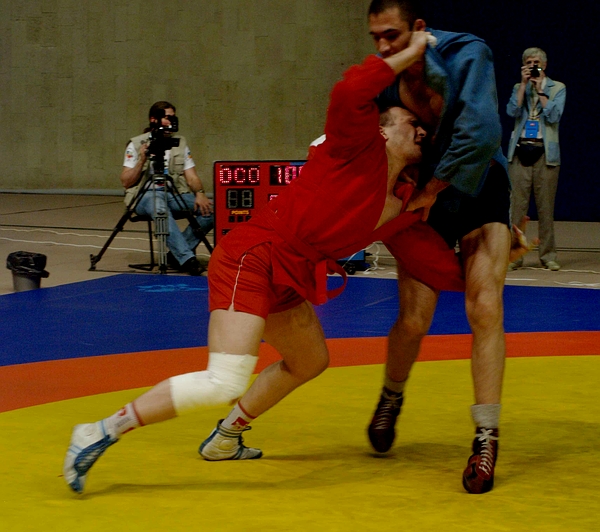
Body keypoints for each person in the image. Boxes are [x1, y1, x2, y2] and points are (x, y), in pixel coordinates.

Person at [63, 34, 465, 493]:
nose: (421, 130)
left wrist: (486, 268)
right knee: (224, 379)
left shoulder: (405, 203)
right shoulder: (353, 149)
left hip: (290, 271)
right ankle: (99, 431)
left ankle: (226, 437)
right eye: (411, 122)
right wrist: (411, 52)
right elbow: (349, 92)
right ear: (381, 130)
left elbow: (431, 261)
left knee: (310, 360)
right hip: (252, 255)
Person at [365, 0, 514, 494]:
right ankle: (391, 396)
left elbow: (481, 133)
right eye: (376, 37)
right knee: (413, 318)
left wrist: (430, 191)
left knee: (484, 305)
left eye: (392, 35)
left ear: (419, 28)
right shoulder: (385, 77)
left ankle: (486, 437)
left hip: (477, 184)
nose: (384, 46)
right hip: (422, 192)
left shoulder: (468, 53)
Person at [121, 101, 214, 275]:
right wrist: (142, 159)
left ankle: (176, 254)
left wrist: (200, 194)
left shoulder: (179, 143)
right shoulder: (136, 144)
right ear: (153, 119)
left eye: (173, 117)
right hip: (144, 196)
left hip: (173, 194)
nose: (171, 121)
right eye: (167, 117)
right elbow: (126, 182)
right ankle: (187, 259)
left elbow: (191, 176)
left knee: (212, 209)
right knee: (159, 206)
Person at [506, 48, 566, 272]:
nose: (533, 65)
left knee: (545, 208)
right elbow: (512, 111)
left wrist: (541, 90)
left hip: (545, 154)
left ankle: (548, 255)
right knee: (516, 209)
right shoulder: (518, 88)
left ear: (544, 65)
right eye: (529, 62)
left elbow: (554, 115)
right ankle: (514, 255)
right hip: (520, 151)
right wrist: (523, 86)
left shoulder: (557, 87)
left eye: (536, 62)